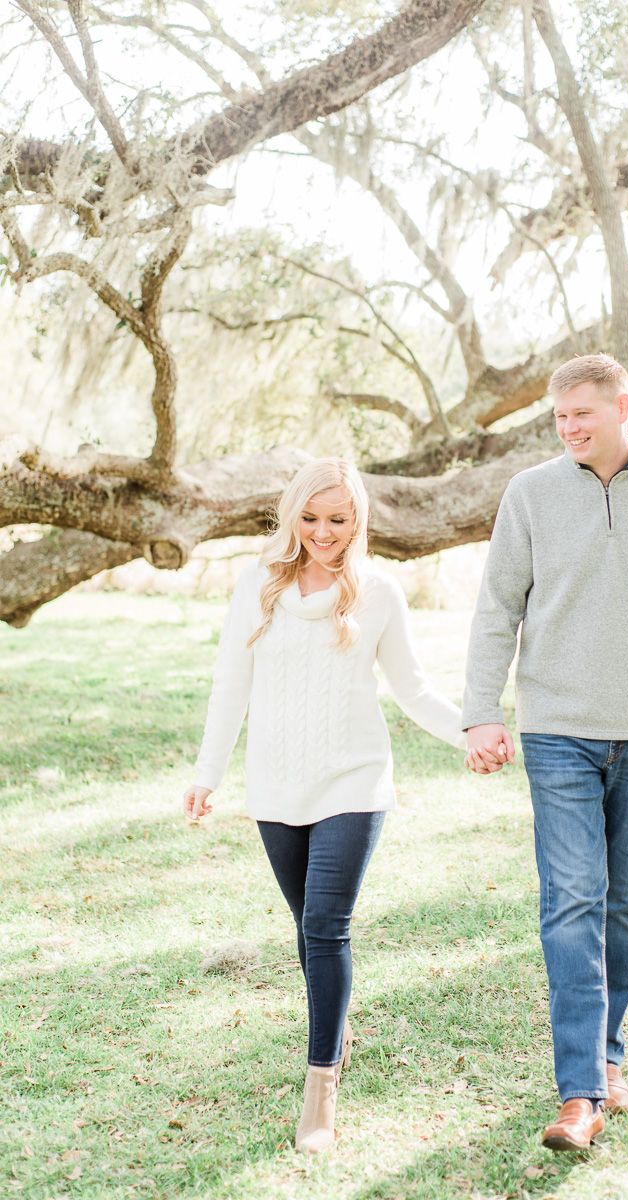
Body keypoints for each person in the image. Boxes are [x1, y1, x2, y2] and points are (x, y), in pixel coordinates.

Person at [462, 354, 628, 1151]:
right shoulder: (531, 494)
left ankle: (607, 1057)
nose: (570, 428)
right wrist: (481, 712)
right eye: (559, 419)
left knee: (623, 907)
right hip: (557, 730)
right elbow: (495, 607)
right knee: (572, 900)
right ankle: (578, 1092)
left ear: (621, 405)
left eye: (581, 414)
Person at [183, 457, 466, 1153]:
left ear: (358, 520)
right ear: (291, 517)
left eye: (337, 519)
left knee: (324, 926)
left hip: (353, 783)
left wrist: (473, 732)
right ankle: (336, 1034)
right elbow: (230, 688)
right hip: (275, 786)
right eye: (309, 519)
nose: (322, 532)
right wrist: (206, 774)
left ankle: (320, 1092)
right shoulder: (257, 588)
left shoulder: (378, 594)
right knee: (307, 931)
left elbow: (413, 688)